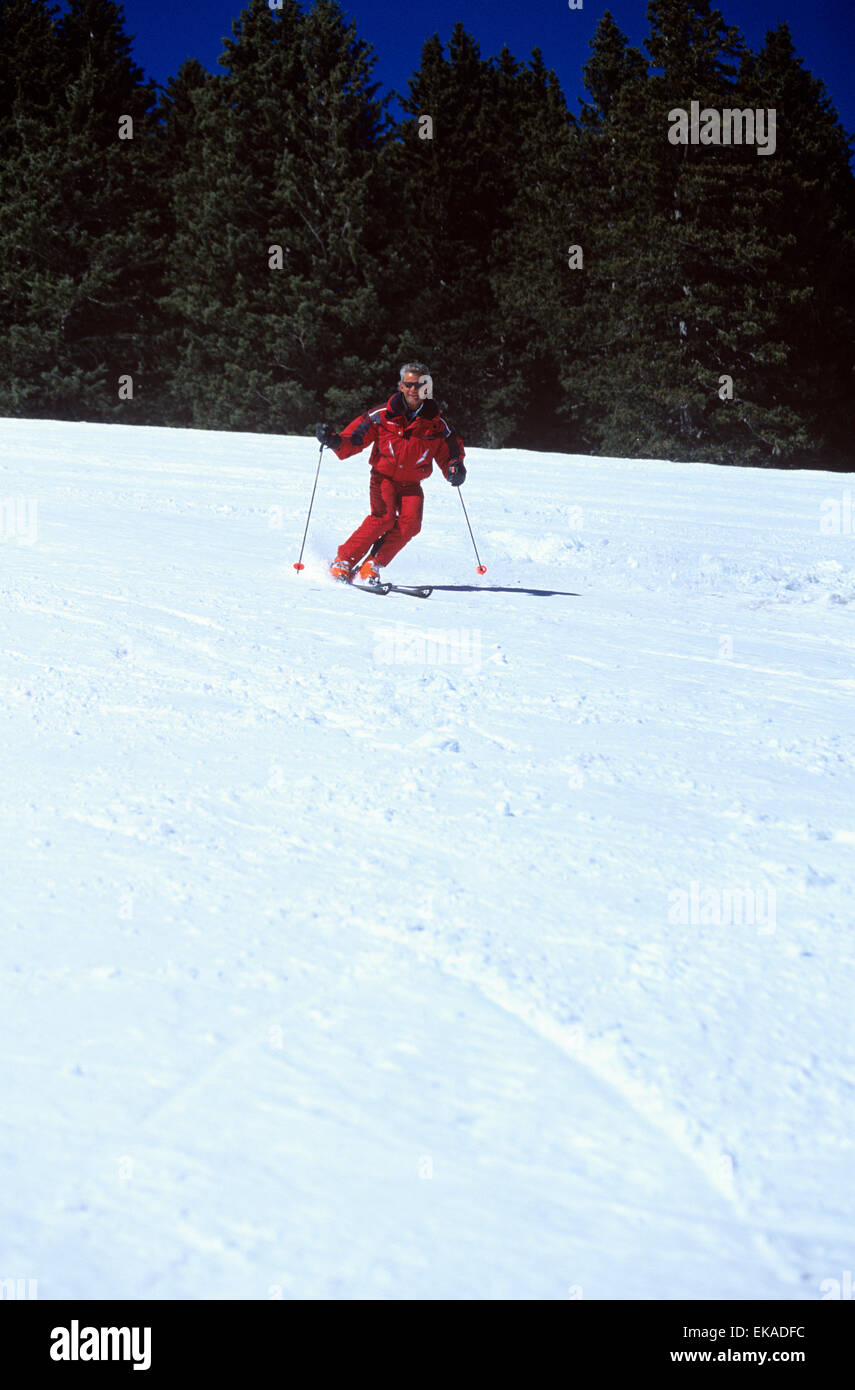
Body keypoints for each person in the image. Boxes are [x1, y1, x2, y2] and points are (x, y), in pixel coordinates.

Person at [315, 362, 466, 585]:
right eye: (409, 384)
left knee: (411, 523)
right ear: (402, 387)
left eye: (420, 384)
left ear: (428, 387)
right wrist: (335, 440)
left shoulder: (436, 423)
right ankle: (343, 561)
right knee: (383, 518)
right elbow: (355, 438)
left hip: (412, 483)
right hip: (383, 478)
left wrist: (455, 467)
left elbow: (451, 451)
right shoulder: (381, 415)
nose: (414, 389)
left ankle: (372, 564)